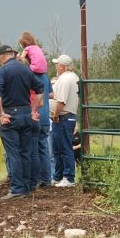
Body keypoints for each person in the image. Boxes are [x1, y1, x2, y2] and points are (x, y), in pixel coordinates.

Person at [0, 44, 43, 200]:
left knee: (13, 152)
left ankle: (16, 189)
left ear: (2, 56)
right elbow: (40, 90)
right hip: (26, 113)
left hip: (11, 114)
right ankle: (26, 187)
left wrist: (1, 114)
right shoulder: (26, 69)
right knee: (26, 152)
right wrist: (33, 109)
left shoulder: (4, 70)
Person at [19, 32, 54, 188]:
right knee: (44, 148)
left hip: (34, 115)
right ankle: (47, 179)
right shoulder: (45, 76)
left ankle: (34, 180)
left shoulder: (29, 76)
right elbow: (52, 94)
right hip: (46, 116)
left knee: (32, 149)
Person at [50, 54, 80, 187]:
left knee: (64, 147)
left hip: (63, 117)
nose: (56, 66)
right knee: (58, 148)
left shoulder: (65, 79)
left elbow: (61, 101)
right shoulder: (73, 78)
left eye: (57, 64)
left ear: (62, 66)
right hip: (66, 116)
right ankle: (59, 176)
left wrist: (55, 115)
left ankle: (68, 177)